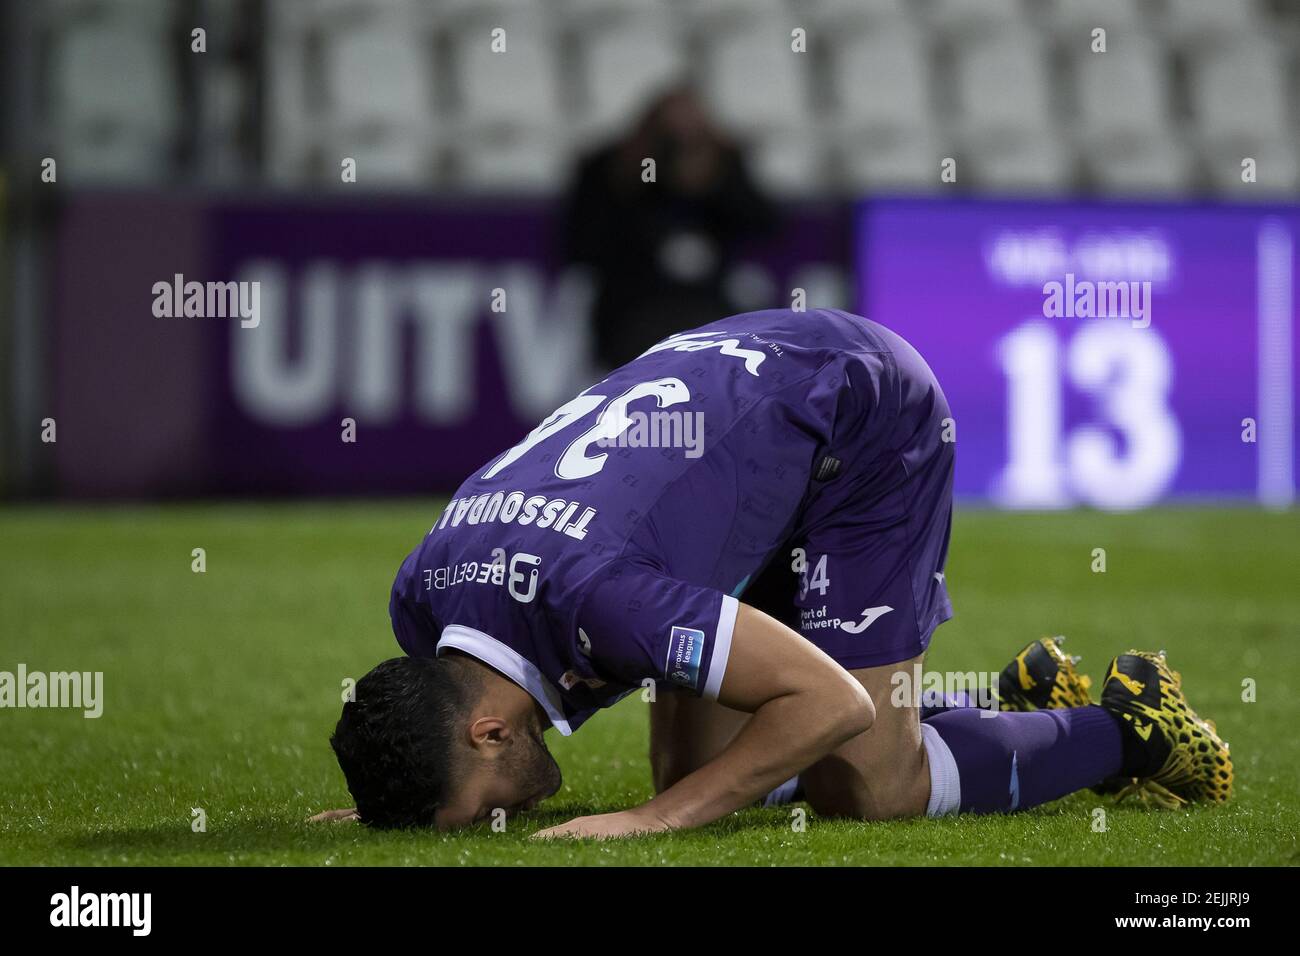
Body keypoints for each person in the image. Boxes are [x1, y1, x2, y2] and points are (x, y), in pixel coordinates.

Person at [319, 309, 1232, 837]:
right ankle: (1000, 712)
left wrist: (655, 822)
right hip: (735, 415)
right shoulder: (425, 596)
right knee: (702, 764)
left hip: (861, 417)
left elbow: (830, 704)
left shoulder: (601, 601)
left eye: (479, 814)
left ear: (487, 735)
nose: (495, 824)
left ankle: (1133, 725)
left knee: (869, 788)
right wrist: (388, 801)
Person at [560, 86, 779, 370]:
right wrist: (636, 187)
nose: (680, 146)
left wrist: (717, 182)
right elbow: (580, 245)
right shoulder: (610, 168)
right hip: (633, 313)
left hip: (707, 311)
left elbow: (767, 224)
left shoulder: (721, 165)